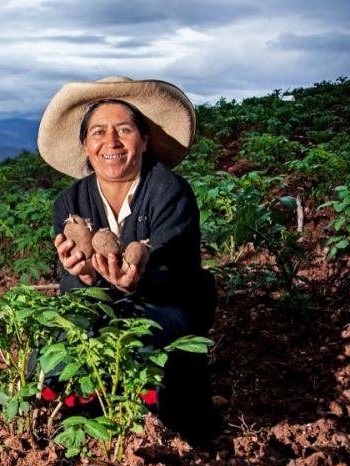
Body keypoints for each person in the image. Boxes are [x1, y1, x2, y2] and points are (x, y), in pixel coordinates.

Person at [36, 76, 221, 443]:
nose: (111, 142)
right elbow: (71, 284)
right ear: (86, 146)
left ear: (145, 139)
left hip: (168, 303)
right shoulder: (69, 204)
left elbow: (178, 268)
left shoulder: (171, 192)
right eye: (99, 132)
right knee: (55, 353)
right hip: (100, 307)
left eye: (124, 130)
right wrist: (86, 279)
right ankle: (70, 430)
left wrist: (137, 279)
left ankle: (158, 433)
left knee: (146, 341)